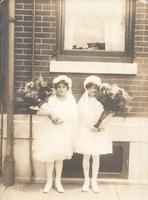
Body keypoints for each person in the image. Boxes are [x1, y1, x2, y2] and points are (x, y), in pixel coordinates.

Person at [33, 75, 78, 193]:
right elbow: (39, 112)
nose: (61, 89)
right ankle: (49, 181)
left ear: (67, 88)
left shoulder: (71, 100)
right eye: (58, 87)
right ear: (55, 88)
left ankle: (58, 181)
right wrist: (50, 114)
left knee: (59, 158)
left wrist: (65, 120)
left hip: (64, 131)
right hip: (51, 131)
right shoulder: (50, 99)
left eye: (63, 87)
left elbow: (74, 116)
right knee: (50, 157)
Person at [75, 75, 113, 193]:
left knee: (96, 156)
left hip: (99, 132)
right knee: (86, 155)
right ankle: (86, 180)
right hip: (87, 131)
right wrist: (89, 126)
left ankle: (94, 180)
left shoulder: (102, 101)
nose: (93, 90)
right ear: (86, 88)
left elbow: (108, 113)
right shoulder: (83, 102)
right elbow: (80, 116)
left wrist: (103, 123)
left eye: (95, 88)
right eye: (90, 88)